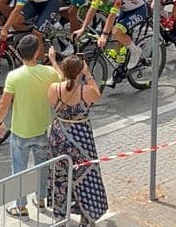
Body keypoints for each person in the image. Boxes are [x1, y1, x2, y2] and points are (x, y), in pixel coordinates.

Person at [0, 35, 61, 219]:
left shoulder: (14, 76)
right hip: (42, 129)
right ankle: (41, 199)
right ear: (38, 52)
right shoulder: (48, 72)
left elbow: (4, 104)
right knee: (42, 166)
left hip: (20, 132)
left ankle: (21, 207)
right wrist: (54, 60)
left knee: (19, 170)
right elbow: (62, 79)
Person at [47, 54, 107, 226]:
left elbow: (64, 83)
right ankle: (86, 216)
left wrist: (53, 62)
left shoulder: (53, 88)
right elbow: (97, 94)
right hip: (81, 138)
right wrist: (88, 74)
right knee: (85, 177)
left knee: (59, 174)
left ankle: (60, 214)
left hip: (59, 135)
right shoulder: (86, 91)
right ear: (80, 71)